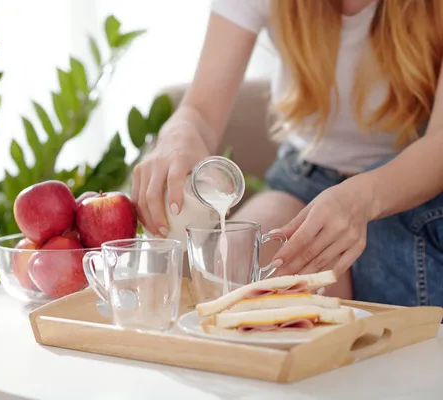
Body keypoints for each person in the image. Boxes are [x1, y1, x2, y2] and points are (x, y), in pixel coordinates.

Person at [131, 0, 443, 307]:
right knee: (239, 257)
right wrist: (178, 135)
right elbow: (200, 111)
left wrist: (360, 199)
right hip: (305, 177)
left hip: (408, 185)